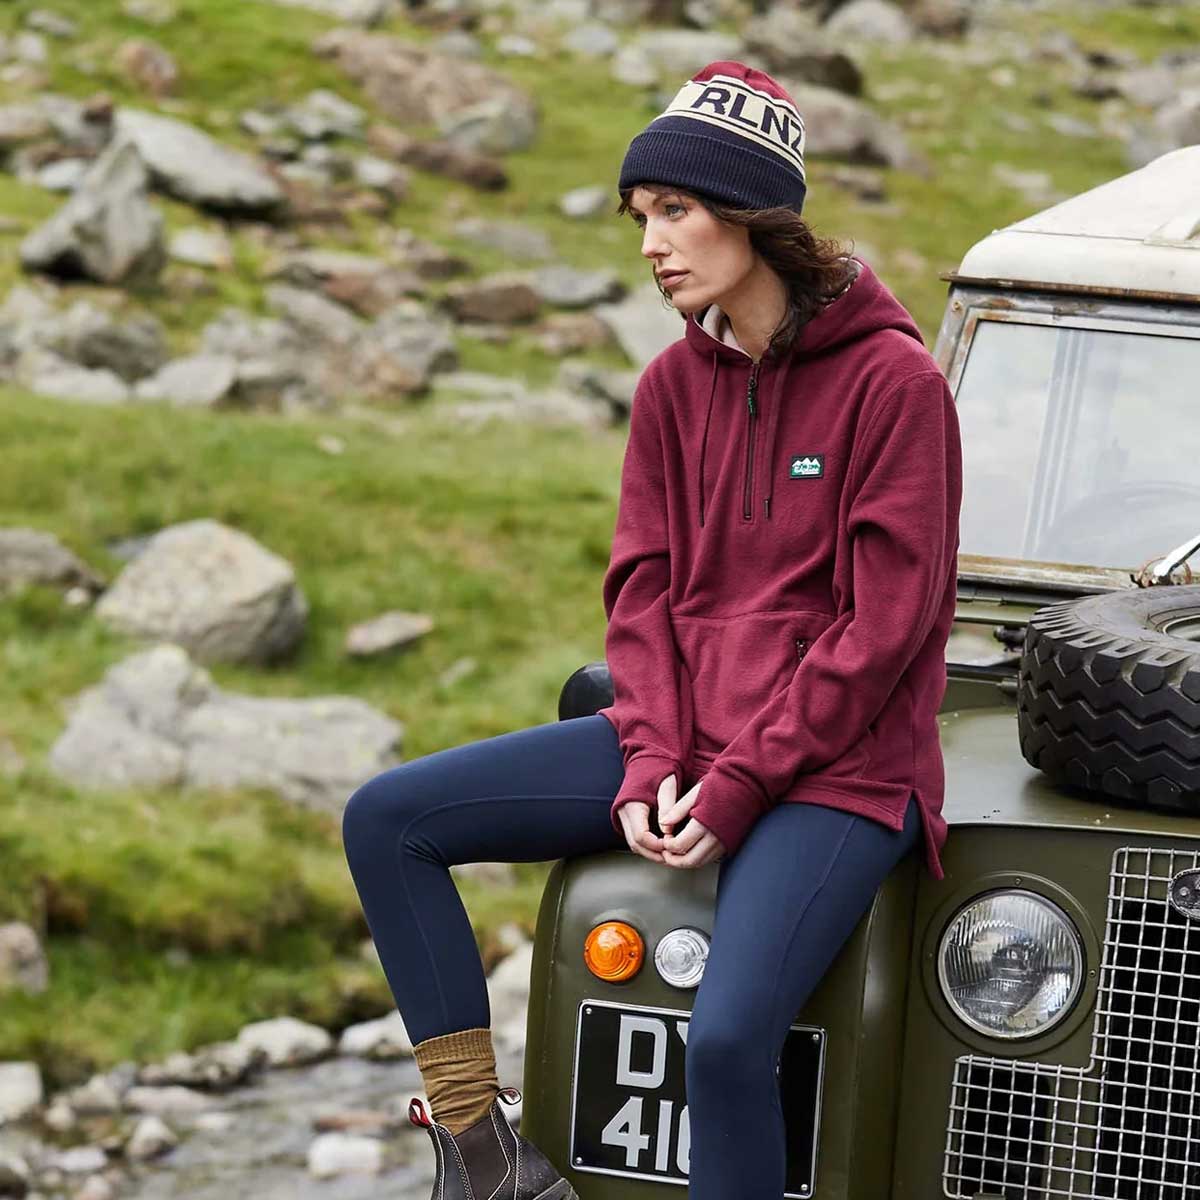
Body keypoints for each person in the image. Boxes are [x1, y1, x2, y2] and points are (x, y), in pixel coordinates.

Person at [341, 59, 962, 1200]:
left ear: (751, 212)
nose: (651, 245)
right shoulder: (672, 389)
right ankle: (482, 1155)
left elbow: (881, 633)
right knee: (389, 820)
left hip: (841, 772)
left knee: (721, 1044)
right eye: (640, 218)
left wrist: (735, 787)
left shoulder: (896, 386)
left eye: (673, 210)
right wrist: (652, 760)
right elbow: (642, 598)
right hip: (687, 740)